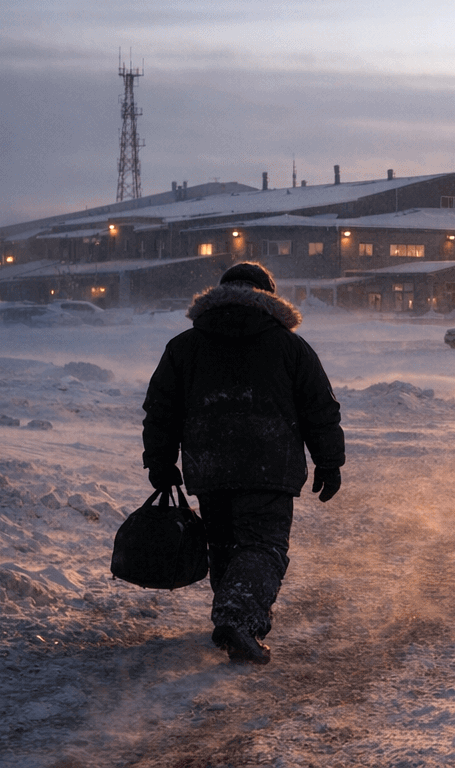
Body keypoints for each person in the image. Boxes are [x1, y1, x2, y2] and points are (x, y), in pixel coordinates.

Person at [141, 262, 344, 664]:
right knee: (263, 546)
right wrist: (328, 462)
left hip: (209, 466)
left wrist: (160, 463)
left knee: (225, 546)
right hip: (270, 467)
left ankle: (235, 621)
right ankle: (239, 619)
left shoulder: (184, 347)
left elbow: (161, 411)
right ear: (268, 296)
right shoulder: (290, 347)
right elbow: (319, 408)